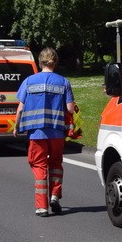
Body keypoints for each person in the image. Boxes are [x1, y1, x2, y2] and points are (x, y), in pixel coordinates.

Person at [15, 47, 76, 217]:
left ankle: (42, 207)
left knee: (39, 165)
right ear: (55, 62)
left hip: (36, 133)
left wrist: (16, 127)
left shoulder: (29, 81)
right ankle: (55, 195)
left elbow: (20, 109)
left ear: (40, 62)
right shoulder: (63, 82)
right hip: (57, 131)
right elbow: (70, 109)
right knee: (56, 163)